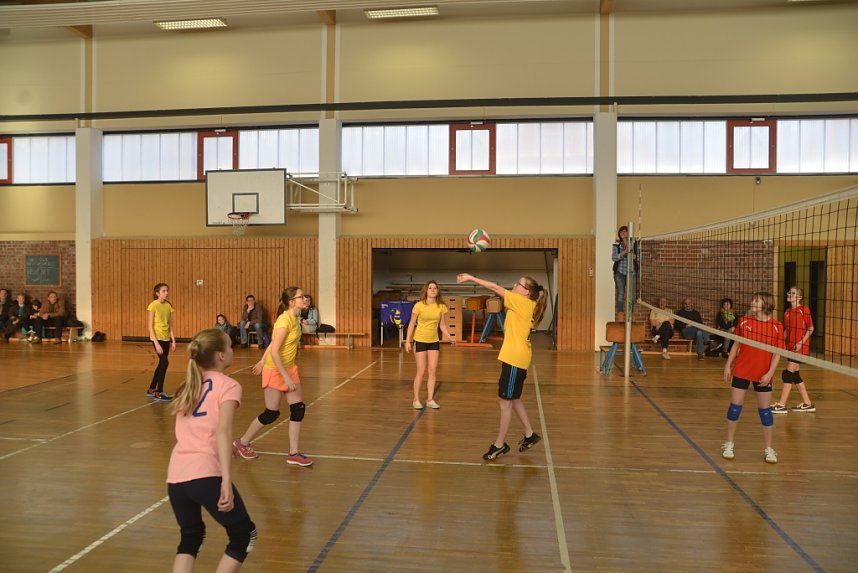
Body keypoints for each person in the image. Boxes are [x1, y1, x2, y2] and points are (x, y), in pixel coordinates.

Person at [167, 328, 257, 573]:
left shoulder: (188, 386)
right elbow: (222, 431)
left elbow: (198, 430)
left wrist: (224, 449)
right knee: (244, 536)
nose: (232, 350)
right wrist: (226, 480)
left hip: (176, 477)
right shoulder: (229, 385)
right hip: (205, 474)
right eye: (229, 346)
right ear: (219, 355)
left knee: (191, 537)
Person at [456, 273, 547, 461]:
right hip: (517, 359)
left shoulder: (522, 303)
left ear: (526, 292)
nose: (514, 284)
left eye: (518, 283)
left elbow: (495, 288)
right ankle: (530, 434)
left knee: (505, 402)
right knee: (513, 399)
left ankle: (499, 445)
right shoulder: (525, 304)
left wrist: (471, 278)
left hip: (515, 360)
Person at [233, 287, 314, 467]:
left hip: (288, 367)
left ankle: (294, 453)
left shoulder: (295, 318)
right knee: (271, 413)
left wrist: (261, 360)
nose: (305, 299)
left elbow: (273, 345)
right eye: (301, 297)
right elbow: (275, 351)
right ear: (292, 301)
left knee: (298, 408)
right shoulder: (284, 321)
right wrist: (282, 376)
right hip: (276, 369)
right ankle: (242, 442)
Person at [721, 292, 784, 464]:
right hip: (742, 370)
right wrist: (728, 365)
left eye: (757, 300)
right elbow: (736, 344)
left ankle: (769, 449)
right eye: (753, 300)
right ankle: (729, 443)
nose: (752, 302)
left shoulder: (777, 326)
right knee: (735, 408)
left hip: (763, 373)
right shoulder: (744, 321)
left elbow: (777, 354)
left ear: (766, 304)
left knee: (765, 412)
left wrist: (770, 373)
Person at [404, 280, 456, 410]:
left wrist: (450, 337)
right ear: (426, 291)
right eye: (430, 288)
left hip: (434, 341)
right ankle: (416, 399)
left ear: (437, 291)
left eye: (435, 288)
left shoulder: (441, 307)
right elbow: (411, 324)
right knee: (421, 371)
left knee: (432, 370)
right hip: (420, 340)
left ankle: (430, 399)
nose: (433, 290)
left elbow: (442, 325)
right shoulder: (419, 306)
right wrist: (407, 341)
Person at [772, 286, 815, 414]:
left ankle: (781, 405)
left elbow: (811, 328)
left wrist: (801, 342)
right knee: (795, 376)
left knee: (787, 374)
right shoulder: (787, 312)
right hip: (791, 347)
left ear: (799, 297)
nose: (789, 294)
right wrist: (778, 343)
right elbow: (786, 330)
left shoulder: (804, 310)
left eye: (793, 293)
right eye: (789, 292)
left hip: (801, 347)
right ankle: (808, 403)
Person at [147, 282, 176, 401]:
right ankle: (159, 392)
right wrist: (156, 343)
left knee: (162, 363)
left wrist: (173, 340)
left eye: (167, 290)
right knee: (165, 363)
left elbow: (170, 325)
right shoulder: (153, 305)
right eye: (164, 291)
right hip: (157, 338)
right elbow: (150, 326)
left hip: (165, 338)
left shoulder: (168, 306)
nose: (166, 293)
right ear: (157, 293)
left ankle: (151, 388)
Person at [611, 226, 633, 317]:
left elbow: (637, 257)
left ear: (628, 233)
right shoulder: (616, 246)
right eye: (621, 232)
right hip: (620, 273)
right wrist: (625, 252)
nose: (623, 233)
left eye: (625, 231)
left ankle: (630, 314)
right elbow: (614, 257)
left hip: (632, 272)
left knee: (631, 294)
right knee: (621, 292)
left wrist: (630, 251)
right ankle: (620, 313)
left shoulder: (634, 244)